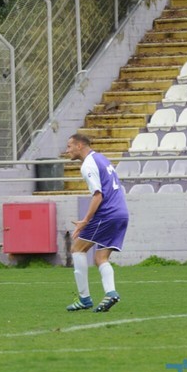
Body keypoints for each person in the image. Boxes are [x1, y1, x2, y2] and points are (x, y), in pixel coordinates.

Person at [65, 133, 129, 313]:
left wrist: (85, 221)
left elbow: (98, 195)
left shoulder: (88, 164)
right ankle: (111, 293)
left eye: (69, 146)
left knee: (77, 249)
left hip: (107, 213)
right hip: (121, 212)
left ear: (79, 146)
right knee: (100, 258)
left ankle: (84, 299)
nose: (67, 151)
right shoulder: (102, 159)